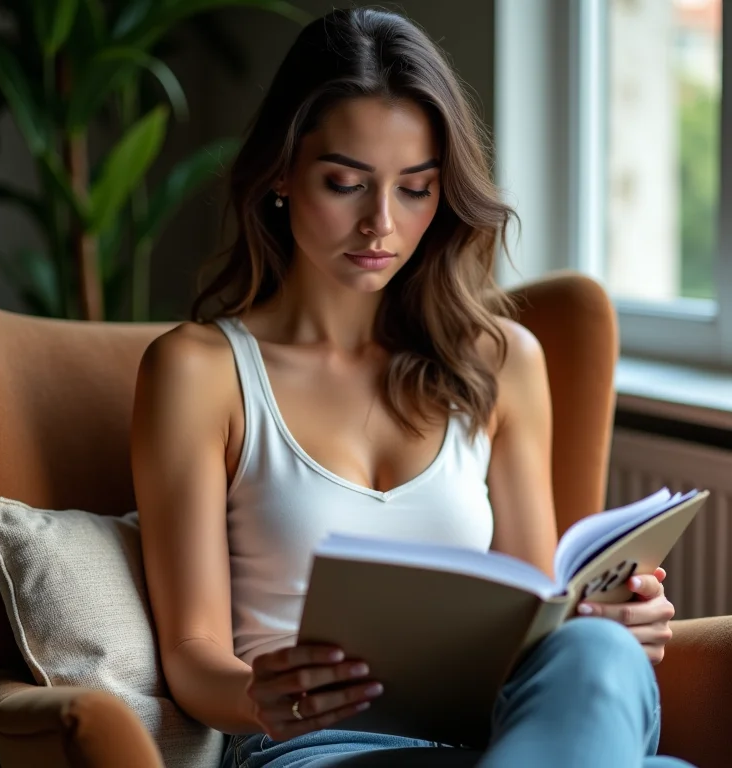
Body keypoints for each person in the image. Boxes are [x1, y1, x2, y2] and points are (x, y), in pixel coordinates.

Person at [131, 8, 691, 767]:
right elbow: (194, 651)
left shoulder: (501, 363)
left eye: (417, 190)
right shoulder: (200, 372)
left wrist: (610, 617)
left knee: (597, 652)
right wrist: (257, 695)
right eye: (345, 184)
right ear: (280, 176)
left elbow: (535, 611)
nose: (381, 226)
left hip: (499, 734)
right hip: (316, 749)